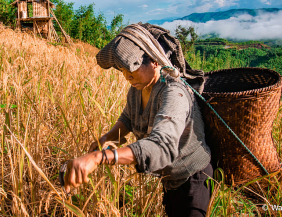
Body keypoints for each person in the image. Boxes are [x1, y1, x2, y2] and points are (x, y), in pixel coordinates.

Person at [63, 23, 212, 217]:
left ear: (156, 61)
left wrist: (100, 158)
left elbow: (162, 147)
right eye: (122, 70)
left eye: (132, 69)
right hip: (170, 179)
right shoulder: (137, 89)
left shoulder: (174, 93)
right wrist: (108, 138)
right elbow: (128, 119)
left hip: (193, 179)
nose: (127, 76)